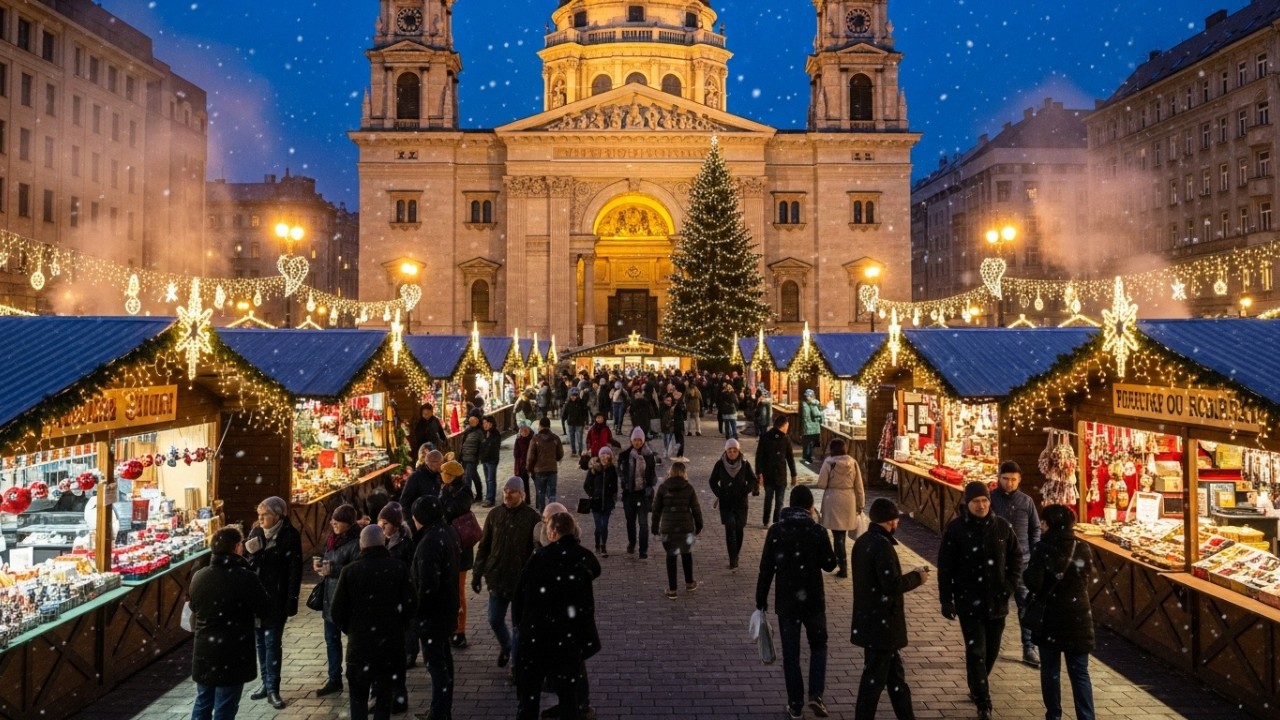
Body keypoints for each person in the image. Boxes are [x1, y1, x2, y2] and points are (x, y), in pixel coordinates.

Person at [937, 481, 1022, 720]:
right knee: (976, 651)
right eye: (976, 501)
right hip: (968, 601)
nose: (981, 505)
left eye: (984, 500)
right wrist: (946, 599)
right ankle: (983, 702)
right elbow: (945, 567)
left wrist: (1010, 585)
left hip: (997, 602)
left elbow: (1016, 559)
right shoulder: (955, 530)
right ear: (967, 503)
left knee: (991, 651)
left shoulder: (1002, 527)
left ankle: (976, 681)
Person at [756, 486, 838, 720]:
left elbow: (766, 568)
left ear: (791, 505)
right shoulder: (817, 531)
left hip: (787, 601)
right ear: (810, 506)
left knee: (791, 654)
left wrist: (760, 600)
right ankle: (816, 694)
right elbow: (830, 565)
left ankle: (795, 704)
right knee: (819, 646)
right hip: (813, 600)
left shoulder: (776, 531)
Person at [513, 512, 602, 720]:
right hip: (569, 639)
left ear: (552, 533)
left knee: (529, 698)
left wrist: (521, 628)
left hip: (537, 638)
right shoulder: (583, 558)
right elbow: (594, 569)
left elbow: (519, 597)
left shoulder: (539, 559)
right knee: (568, 697)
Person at [851, 498, 929, 720]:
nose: (897, 524)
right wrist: (917, 577)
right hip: (882, 626)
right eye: (896, 520)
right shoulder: (882, 546)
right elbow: (891, 585)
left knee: (896, 679)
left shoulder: (864, 541)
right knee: (873, 682)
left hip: (871, 621)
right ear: (890, 521)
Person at [330, 525, 416, 720]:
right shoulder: (398, 568)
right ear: (383, 542)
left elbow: (337, 611)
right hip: (389, 646)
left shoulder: (350, 571)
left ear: (361, 544)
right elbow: (411, 605)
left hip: (359, 647)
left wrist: (351, 629)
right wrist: (398, 626)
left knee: (358, 698)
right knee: (384, 698)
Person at [189, 527, 272, 720]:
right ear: (237, 547)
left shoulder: (199, 576)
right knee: (225, 707)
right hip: (232, 652)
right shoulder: (245, 577)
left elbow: (194, 606)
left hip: (204, 650)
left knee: (203, 701)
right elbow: (265, 608)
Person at [1024, 504, 1095, 720]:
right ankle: (1086, 717)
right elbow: (1086, 575)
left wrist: (1029, 573)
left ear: (1049, 524)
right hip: (1078, 617)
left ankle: (1054, 715)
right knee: (1080, 673)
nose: (1041, 526)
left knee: (1051, 671)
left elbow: (1034, 583)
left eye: (1043, 522)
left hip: (1050, 618)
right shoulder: (1082, 547)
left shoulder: (1042, 548)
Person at [472, 476, 541, 672]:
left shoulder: (532, 517)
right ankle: (507, 646)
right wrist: (477, 573)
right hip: (497, 576)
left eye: (512, 492)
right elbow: (484, 546)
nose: (507, 495)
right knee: (494, 619)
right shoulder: (494, 514)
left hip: (520, 581)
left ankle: (515, 666)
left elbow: (537, 551)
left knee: (519, 626)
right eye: (505, 491)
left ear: (522, 494)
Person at [243, 496, 302, 710]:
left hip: (276, 598)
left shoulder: (289, 535)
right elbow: (249, 566)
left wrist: (292, 600)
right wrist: (252, 554)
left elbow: (295, 570)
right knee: (260, 642)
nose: (260, 518)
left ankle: (273, 688)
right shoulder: (256, 532)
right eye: (258, 514)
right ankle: (264, 684)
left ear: (277, 515)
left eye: (264, 514)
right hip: (256, 597)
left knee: (272, 643)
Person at [410, 497, 461, 720]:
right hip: (447, 608)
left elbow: (428, 584)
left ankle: (440, 713)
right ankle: (441, 709)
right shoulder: (447, 531)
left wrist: (418, 613)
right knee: (444, 661)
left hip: (434, 615)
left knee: (436, 665)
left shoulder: (430, 541)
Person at [990, 460, 1043, 667]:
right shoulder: (990, 499)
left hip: (1022, 562)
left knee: (1025, 606)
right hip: (995, 562)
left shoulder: (1026, 502)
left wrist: (1034, 550)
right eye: (1005, 479)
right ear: (999, 478)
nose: (1009, 483)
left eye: (1013, 479)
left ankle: (1029, 648)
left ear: (1019, 479)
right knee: (994, 605)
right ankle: (990, 646)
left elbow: (1035, 528)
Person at [315, 504, 362, 697]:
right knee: (331, 640)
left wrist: (332, 571)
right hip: (330, 598)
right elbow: (329, 559)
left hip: (346, 600)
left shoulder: (356, 543)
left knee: (353, 641)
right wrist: (320, 567)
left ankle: (356, 676)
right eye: (333, 519)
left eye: (338, 521)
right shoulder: (332, 540)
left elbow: (356, 571)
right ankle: (334, 679)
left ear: (349, 524)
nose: (334, 523)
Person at [651, 461, 703, 599]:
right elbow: (696, 509)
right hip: (686, 528)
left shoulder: (663, 488)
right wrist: (699, 525)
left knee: (671, 556)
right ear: (684, 473)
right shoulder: (689, 488)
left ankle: (673, 589)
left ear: (670, 472)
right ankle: (689, 582)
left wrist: (655, 526)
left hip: (668, 529)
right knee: (687, 554)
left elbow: (656, 509)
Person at [816, 438, 866, 578]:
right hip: (849, 499)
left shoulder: (829, 462)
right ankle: (842, 564)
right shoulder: (853, 463)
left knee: (837, 536)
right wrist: (860, 504)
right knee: (840, 535)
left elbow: (821, 483)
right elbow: (859, 486)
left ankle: (842, 565)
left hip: (833, 499)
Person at [438, 458, 475, 649]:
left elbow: (449, 510)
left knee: (458, 592)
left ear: (451, 476)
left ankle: (459, 631)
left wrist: (443, 496)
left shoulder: (463, 493)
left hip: (460, 550)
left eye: (444, 474)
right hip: (449, 547)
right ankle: (450, 626)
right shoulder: (448, 490)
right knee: (449, 591)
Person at [708, 438, 756, 570]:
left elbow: (752, 480)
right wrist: (720, 493)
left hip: (741, 503)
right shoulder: (720, 464)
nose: (732, 453)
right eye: (730, 450)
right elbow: (712, 481)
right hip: (726, 503)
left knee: (739, 530)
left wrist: (745, 491)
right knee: (730, 529)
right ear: (726, 451)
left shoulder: (745, 464)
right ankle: (732, 559)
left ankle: (736, 553)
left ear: (738, 451)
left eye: (735, 450)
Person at [617, 426, 658, 559]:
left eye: (639, 440)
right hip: (629, 494)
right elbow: (620, 471)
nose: (637, 442)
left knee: (643, 523)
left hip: (643, 494)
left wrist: (649, 486)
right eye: (635, 440)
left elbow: (652, 474)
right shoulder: (625, 455)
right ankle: (632, 542)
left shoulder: (649, 455)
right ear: (631, 440)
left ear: (643, 440)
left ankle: (643, 549)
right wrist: (624, 482)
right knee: (630, 522)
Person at [756, 415, 798, 527]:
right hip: (779, 475)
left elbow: (759, 457)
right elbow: (790, 459)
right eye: (787, 425)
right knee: (778, 501)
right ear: (784, 425)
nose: (787, 427)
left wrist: (759, 473)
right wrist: (794, 475)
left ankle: (767, 520)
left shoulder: (766, 437)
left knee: (769, 498)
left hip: (769, 474)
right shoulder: (784, 439)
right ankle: (775, 522)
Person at [584, 445, 619, 557]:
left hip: (608, 503)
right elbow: (586, 485)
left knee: (605, 525)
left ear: (610, 456)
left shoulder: (612, 469)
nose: (605, 456)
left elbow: (615, 487)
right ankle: (597, 544)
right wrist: (592, 494)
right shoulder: (594, 468)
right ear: (599, 456)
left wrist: (613, 499)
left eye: (607, 454)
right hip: (596, 503)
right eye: (602, 454)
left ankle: (603, 545)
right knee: (598, 526)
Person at [527, 416, 565, 511]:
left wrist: (529, 469)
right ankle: (552, 512)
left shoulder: (535, 439)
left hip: (539, 470)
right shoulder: (555, 438)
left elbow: (531, 457)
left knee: (541, 493)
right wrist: (552, 459)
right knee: (552, 493)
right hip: (552, 470)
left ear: (540, 426)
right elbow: (560, 454)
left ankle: (542, 514)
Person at [400, 448, 444, 519]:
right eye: (438, 462)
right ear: (429, 462)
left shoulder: (437, 475)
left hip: (432, 517)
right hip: (418, 519)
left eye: (442, 462)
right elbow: (404, 502)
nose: (441, 465)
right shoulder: (415, 477)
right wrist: (412, 521)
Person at [458, 411, 485, 503]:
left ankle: (468, 498)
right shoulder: (468, 430)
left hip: (472, 458)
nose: (473, 421)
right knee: (474, 476)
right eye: (471, 419)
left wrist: (478, 457)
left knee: (467, 478)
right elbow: (463, 443)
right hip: (465, 456)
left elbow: (482, 445)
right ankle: (479, 495)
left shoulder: (480, 432)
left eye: (475, 419)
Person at [479, 415, 503, 508]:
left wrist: (486, 442)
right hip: (485, 459)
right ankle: (488, 497)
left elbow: (492, 446)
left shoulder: (495, 433)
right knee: (487, 479)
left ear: (491, 423)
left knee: (491, 480)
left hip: (492, 459)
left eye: (486, 423)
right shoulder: (484, 433)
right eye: (483, 423)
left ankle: (490, 499)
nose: (484, 425)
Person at [563, 386, 590, 456]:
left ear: (577, 395)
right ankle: (573, 451)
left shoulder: (581, 403)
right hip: (571, 423)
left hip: (579, 423)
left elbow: (585, 413)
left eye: (575, 395)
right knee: (571, 438)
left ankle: (580, 451)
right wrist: (563, 420)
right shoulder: (568, 403)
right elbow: (565, 413)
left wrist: (586, 422)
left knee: (579, 438)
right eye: (572, 395)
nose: (573, 397)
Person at [513, 421, 533, 499]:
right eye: (522, 431)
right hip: (521, 464)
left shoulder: (532, 439)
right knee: (523, 482)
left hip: (531, 463)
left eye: (525, 430)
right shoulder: (518, 440)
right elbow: (516, 453)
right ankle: (523, 499)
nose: (523, 432)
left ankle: (528, 499)